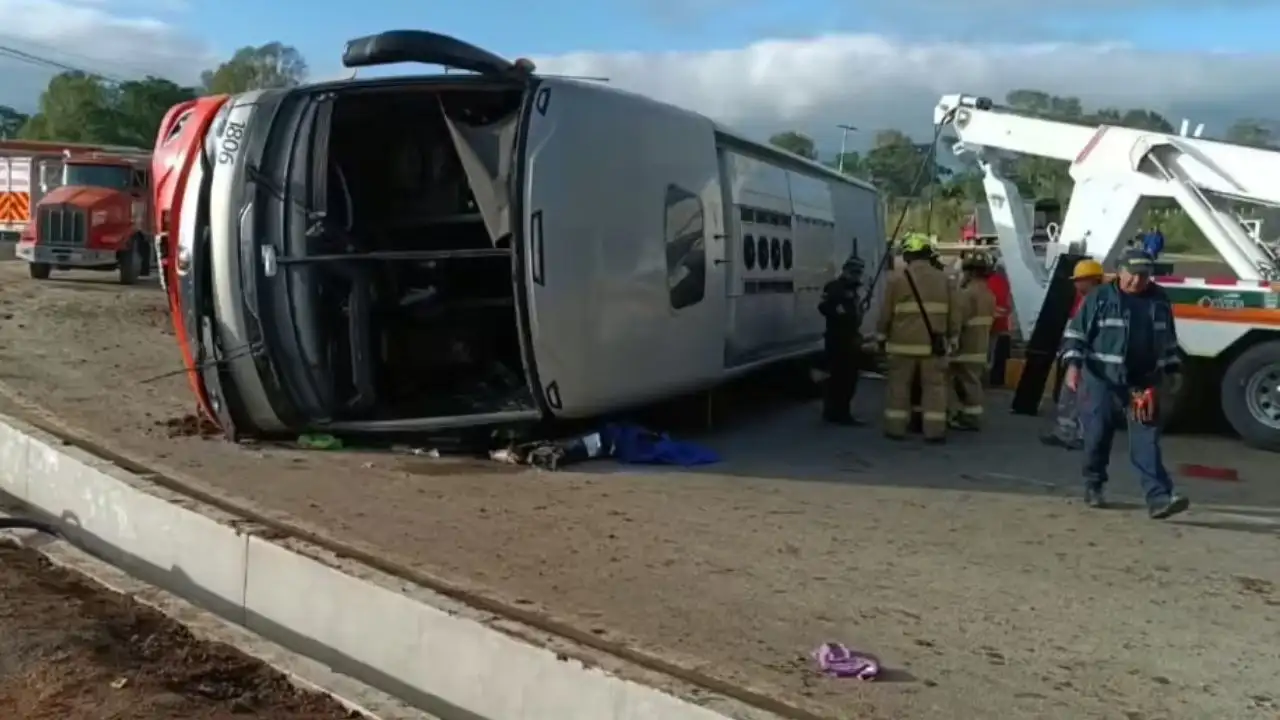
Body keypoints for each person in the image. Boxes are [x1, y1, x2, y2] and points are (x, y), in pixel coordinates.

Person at [1061, 248, 1189, 518]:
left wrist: (1173, 370)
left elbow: (1167, 340)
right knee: (1096, 436)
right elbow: (1076, 334)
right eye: (1133, 275)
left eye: (1144, 275)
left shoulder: (1159, 301)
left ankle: (1159, 498)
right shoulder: (1100, 298)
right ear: (1120, 272)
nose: (1137, 281)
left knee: (1146, 440)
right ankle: (1094, 484)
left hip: (1142, 383)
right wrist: (1073, 366)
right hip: (1101, 381)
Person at [876, 234, 960, 443]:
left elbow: (886, 313)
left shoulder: (896, 279)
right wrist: (953, 336)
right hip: (933, 346)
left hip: (901, 346)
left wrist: (881, 336)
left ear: (907, 255)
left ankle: (895, 428)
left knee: (898, 387)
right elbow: (954, 312)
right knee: (935, 389)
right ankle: (934, 431)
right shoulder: (944, 279)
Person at [1042, 257, 1105, 449]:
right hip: (1082, 358)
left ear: (1091, 279)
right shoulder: (1092, 299)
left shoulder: (1095, 301)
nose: (1076, 284)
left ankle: (1076, 435)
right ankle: (1069, 432)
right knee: (1071, 398)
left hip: (1086, 359)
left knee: (1077, 398)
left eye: (1079, 280)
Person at [949, 252, 997, 431]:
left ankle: (964, 416)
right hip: (980, 347)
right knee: (973, 382)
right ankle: (972, 416)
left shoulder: (966, 294)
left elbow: (956, 322)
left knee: (959, 382)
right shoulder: (989, 295)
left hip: (965, 348)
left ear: (969, 272)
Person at [818, 253, 866, 425]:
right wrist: (842, 315)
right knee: (839, 378)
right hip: (837, 338)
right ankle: (836, 412)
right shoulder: (834, 287)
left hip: (850, 338)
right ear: (845, 271)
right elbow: (824, 307)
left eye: (858, 272)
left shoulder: (853, 291)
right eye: (853, 272)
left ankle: (840, 410)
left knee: (849, 378)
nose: (856, 275)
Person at [985, 260, 1013, 386]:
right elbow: (1009, 305)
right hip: (1002, 325)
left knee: (988, 352)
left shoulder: (988, 282)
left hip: (988, 324)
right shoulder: (1006, 283)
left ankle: (988, 377)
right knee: (997, 354)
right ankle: (995, 379)